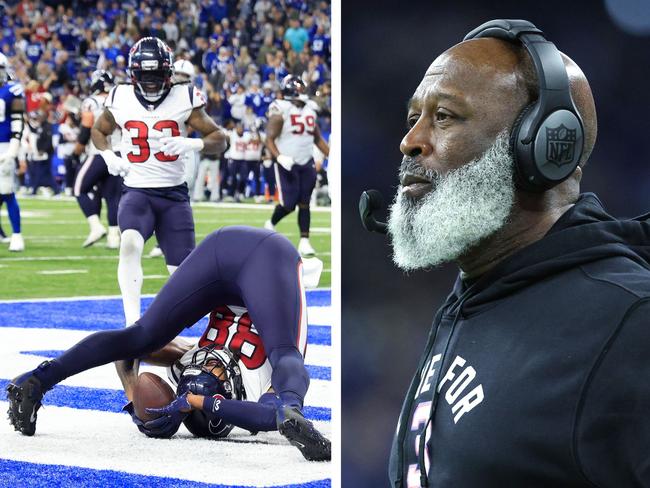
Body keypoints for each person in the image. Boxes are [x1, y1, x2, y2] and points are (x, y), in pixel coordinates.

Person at [380, 19, 650, 487]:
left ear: (545, 146)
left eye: (443, 116)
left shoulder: (631, 323)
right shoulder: (477, 297)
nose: (411, 141)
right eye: (413, 118)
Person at [6, 225, 330, 462]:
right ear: (229, 390)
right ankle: (294, 402)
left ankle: (39, 378)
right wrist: (197, 402)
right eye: (214, 371)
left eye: (204, 365)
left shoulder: (188, 362)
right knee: (286, 354)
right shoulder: (256, 384)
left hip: (221, 250)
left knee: (141, 336)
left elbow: (127, 353)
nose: (207, 363)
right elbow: (269, 415)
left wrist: (134, 396)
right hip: (266, 257)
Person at [90, 37, 226, 399]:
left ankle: (162, 329)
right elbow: (99, 131)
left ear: (168, 74)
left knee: (181, 277)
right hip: (136, 191)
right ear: (134, 76)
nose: (150, 85)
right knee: (130, 243)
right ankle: (133, 322)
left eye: (156, 77)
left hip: (174, 196)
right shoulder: (118, 97)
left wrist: (193, 143)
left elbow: (220, 138)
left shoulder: (184, 97)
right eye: (145, 78)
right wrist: (108, 157)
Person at [264, 74, 329, 257]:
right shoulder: (280, 108)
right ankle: (270, 224)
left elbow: (316, 138)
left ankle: (304, 241)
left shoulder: (309, 110)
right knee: (289, 204)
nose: (303, 92)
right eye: (299, 89)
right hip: (287, 162)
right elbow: (268, 139)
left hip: (306, 161)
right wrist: (279, 157)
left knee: (305, 203)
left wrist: (331, 155)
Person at [72, 70, 122, 249]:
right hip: (119, 153)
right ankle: (113, 237)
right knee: (112, 197)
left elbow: (86, 128)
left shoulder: (91, 102)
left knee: (78, 189)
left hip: (99, 152)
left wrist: (78, 148)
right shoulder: (120, 101)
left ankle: (95, 227)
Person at [0, 53, 25, 252]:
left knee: (7, 191)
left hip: (4, 145)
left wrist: (14, 149)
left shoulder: (11, 91)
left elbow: (18, 121)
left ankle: (17, 235)